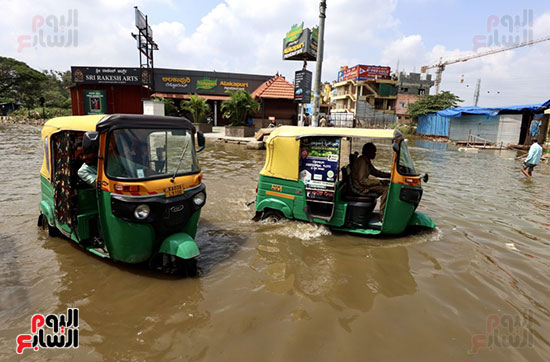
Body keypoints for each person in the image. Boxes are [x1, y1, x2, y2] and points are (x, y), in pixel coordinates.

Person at [350, 142, 391, 219]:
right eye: (374, 152)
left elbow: (376, 172)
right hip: (360, 187)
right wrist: (380, 181)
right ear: (368, 152)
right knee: (387, 189)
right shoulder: (362, 161)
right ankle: (382, 214)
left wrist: (389, 175)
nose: (375, 154)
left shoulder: (366, 160)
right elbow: (362, 181)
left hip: (362, 184)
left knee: (385, 186)